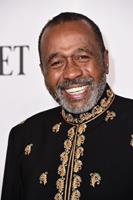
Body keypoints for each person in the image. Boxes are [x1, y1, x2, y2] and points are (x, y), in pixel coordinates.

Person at [1, 12, 133, 200]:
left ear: (105, 60)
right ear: (43, 71)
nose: (71, 73)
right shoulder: (23, 136)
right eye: (56, 63)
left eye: (82, 57)